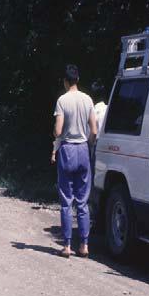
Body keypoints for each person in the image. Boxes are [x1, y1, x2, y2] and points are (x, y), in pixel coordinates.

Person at [53, 64, 97, 258]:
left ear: (65, 80)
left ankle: (68, 245)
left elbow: (58, 131)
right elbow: (94, 131)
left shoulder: (62, 100)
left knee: (66, 201)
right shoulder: (88, 99)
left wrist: (55, 135)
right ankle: (85, 245)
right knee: (82, 201)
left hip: (67, 149)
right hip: (83, 150)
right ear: (77, 79)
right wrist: (89, 145)